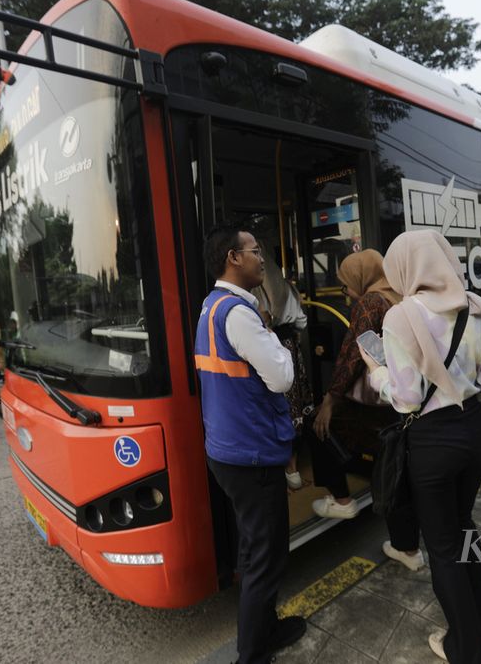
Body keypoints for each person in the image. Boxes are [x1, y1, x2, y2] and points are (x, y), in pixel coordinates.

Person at [361, 231, 481, 663]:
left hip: (431, 440)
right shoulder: (475, 305)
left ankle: (466, 651)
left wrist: (377, 373)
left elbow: (405, 398)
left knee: (442, 547)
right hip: (474, 431)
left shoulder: (400, 317)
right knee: (464, 527)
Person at [194, 225, 305, 664]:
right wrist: (274, 336)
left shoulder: (211, 306)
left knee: (252, 548)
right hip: (252, 453)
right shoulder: (240, 314)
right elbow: (281, 377)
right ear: (232, 259)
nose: (263, 259)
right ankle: (253, 653)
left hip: (227, 449)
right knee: (267, 555)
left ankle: (263, 628)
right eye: (255, 251)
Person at [309, 249, 424, 571]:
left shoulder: (370, 302)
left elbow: (352, 354)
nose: (344, 293)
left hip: (378, 400)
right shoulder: (399, 296)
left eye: (345, 285)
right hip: (402, 400)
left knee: (318, 426)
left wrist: (330, 399)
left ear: (361, 277)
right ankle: (408, 548)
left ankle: (342, 501)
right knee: (395, 470)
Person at [252, 246, 312, 491]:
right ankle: (293, 470)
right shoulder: (286, 288)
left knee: (272, 409)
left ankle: (279, 473)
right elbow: (302, 321)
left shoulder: (250, 292)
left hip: (266, 351)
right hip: (290, 350)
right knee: (293, 408)